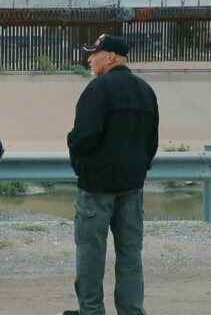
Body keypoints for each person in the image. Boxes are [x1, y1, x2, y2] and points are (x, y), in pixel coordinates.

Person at [60, 34, 159, 315]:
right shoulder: (145, 91)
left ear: (111, 56)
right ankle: (132, 311)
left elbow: (83, 138)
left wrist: (80, 164)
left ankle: (91, 311)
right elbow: (151, 142)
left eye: (95, 53)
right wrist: (139, 170)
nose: (90, 59)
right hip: (132, 187)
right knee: (130, 254)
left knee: (91, 254)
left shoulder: (98, 89)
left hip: (97, 188)